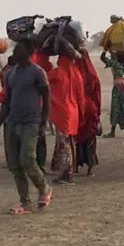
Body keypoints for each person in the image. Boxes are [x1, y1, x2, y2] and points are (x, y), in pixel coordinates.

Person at [0, 38, 52, 213]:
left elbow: (47, 97)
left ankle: (44, 188)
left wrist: (43, 121)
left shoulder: (37, 72)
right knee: (14, 164)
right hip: (12, 122)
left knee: (28, 159)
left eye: (18, 49)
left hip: (30, 121)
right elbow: (6, 101)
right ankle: (25, 201)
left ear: (29, 52)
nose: (14, 51)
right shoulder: (12, 74)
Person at [35, 52, 84, 185]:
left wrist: (42, 58)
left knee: (64, 145)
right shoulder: (76, 74)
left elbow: (41, 77)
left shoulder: (58, 73)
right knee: (70, 143)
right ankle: (68, 171)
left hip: (63, 113)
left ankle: (66, 174)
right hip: (74, 112)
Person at [75, 50, 102, 177]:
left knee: (77, 138)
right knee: (90, 138)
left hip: (79, 109)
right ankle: (90, 167)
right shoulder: (92, 74)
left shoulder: (75, 72)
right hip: (91, 110)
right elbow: (97, 95)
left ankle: (76, 166)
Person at [100, 50, 124, 138]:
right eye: (118, 55)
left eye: (121, 55)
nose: (119, 57)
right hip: (117, 91)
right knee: (115, 110)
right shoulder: (116, 64)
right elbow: (103, 59)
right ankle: (112, 132)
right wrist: (105, 50)